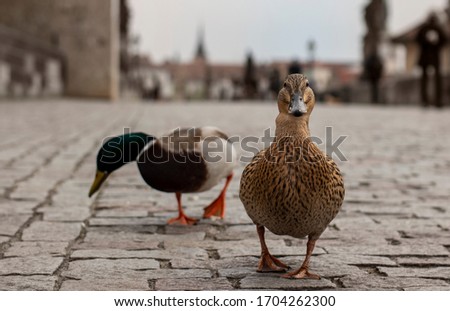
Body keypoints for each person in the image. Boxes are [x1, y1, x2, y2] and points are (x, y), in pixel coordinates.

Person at [416, 13, 447, 107]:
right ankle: (426, 101)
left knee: (436, 79)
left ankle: (436, 101)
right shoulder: (425, 28)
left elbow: (445, 40)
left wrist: (436, 42)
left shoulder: (437, 28)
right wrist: (427, 41)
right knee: (426, 79)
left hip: (434, 56)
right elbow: (418, 39)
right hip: (427, 57)